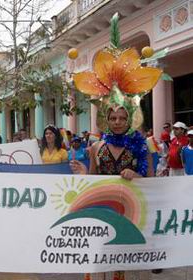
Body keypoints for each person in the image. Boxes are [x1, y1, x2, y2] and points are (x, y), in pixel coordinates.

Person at [70, 17, 160, 279]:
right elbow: (94, 182)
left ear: (130, 118)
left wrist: (139, 175)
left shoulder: (142, 146)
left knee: (122, 268)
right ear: (106, 119)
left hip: (131, 213)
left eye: (122, 118)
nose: (118, 122)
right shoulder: (97, 147)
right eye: (113, 118)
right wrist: (83, 175)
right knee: (98, 267)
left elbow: (151, 181)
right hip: (102, 212)